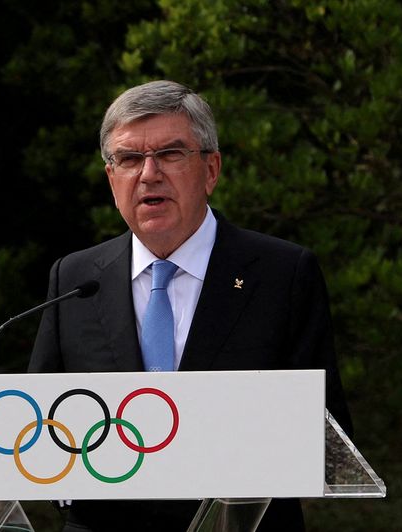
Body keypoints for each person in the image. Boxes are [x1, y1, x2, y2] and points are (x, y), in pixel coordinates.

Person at [28, 80, 352, 532]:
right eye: (129, 159)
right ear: (111, 178)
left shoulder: (282, 273)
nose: (148, 174)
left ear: (211, 169)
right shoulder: (75, 278)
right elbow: (39, 425)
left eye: (170, 154)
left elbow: (327, 432)